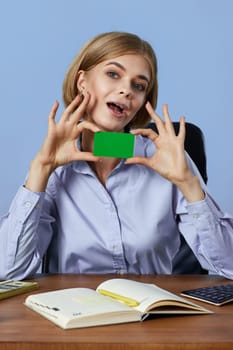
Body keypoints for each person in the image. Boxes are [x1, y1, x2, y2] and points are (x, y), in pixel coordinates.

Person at [0, 31, 233, 280]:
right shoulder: (55, 167)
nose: (126, 90)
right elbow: (8, 271)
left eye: (139, 85)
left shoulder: (167, 159)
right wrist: (40, 168)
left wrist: (189, 183)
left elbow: (229, 267)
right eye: (113, 74)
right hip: (76, 312)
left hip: (153, 312)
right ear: (83, 82)